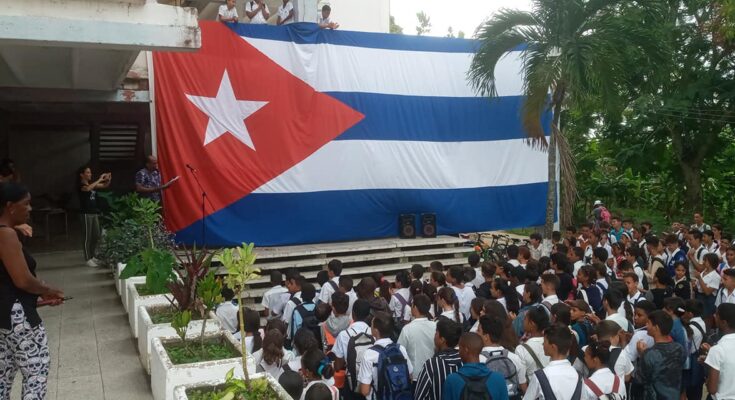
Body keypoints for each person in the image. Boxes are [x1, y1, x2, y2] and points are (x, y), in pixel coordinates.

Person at [0, 182, 65, 399]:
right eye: (26, 204)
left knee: (4, 373)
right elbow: (22, 280)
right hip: (17, 316)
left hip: (5, 316)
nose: (29, 209)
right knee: (36, 372)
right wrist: (47, 289)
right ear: (10, 206)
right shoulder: (5, 234)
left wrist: (37, 298)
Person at [357, 312, 413, 399]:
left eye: (371, 324)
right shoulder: (400, 349)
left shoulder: (369, 354)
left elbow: (365, 391)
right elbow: (409, 376)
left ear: (376, 331)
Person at [633, 310, 685, 400]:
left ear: (656, 327)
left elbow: (639, 381)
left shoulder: (650, 354)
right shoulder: (679, 348)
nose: (646, 326)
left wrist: (643, 355)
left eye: (648, 323)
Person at [523, 324, 583, 400]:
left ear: (553, 347)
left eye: (544, 341)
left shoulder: (541, 376)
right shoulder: (579, 377)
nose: (542, 344)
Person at [442, 332, 509, 400]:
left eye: (459, 348)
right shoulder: (498, 379)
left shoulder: (452, 380)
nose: (458, 351)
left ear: (466, 349)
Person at [477, 315, 527, 397]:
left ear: (486, 337)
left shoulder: (478, 360)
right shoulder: (514, 357)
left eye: (478, 330)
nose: (476, 333)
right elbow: (524, 388)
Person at [415, 317, 463, 400]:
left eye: (436, 333)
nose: (434, 336)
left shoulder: (431, 365)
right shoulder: (464, 361)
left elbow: (419, 397)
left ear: (442, 339)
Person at [333, 299, 372, 398]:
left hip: (351, 384)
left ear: (353, 314)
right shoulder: (374, 333)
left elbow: (338, 365)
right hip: (371, 383)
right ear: (368, 316)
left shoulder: (344, 335)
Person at [77, 165, 111, 267]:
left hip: (93, 213)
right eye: (87, 172)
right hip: (86, 214)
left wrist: (108, 179)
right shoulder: (81, 185)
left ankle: (92, 256)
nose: (90, 174)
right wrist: (100, 179)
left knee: (96, 236)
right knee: (87, 237)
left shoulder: (91, 185)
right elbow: (87, 189)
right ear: (82, 175)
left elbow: (104, 186)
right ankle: (87, 258)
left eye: (90, 172)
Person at [397, 294, 436, 382]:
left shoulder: (407, 329)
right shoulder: (435, 326)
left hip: (415, 375)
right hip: (433, 372)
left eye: (412, 305)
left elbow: (400, 350)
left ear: (415, 307)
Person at [704, 303, 735, 399]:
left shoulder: (717, 350)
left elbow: (712, 389)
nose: (714, 315)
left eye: (717, 314)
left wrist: (707, 380)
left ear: (724, 322)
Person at [515, 306, 551, 380]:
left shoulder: (521, 349)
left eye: (525, 319)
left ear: (532, 323)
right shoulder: (552, 343)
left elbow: (521, 379)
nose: (523, 321)